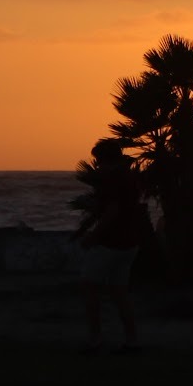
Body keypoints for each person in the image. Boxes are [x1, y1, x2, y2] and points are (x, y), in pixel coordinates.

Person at [78, 139, 144, 352]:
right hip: (129, 242)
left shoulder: (113, 179)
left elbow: (112, 211)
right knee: (119, 292)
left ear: (105, 160)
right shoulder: (130, 178)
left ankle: (95, 338)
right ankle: (131, 339)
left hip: (110, 243)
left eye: (98, 161)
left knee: (90, 286)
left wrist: (94, 235)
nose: (97, 165)